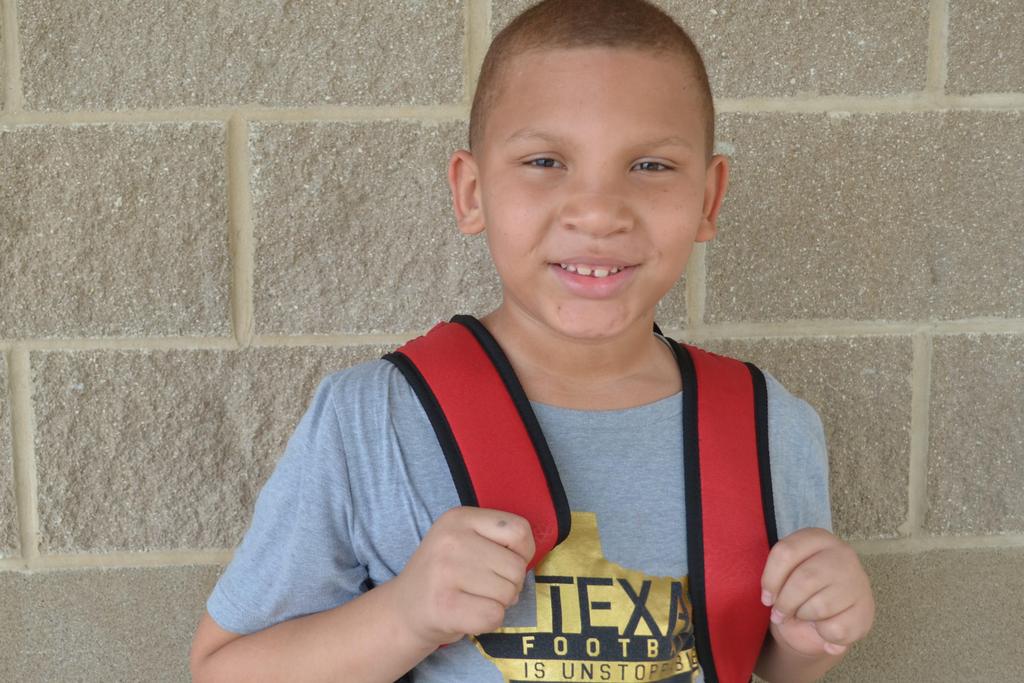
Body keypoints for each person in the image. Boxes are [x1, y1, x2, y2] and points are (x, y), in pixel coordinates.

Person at [189, 1, 875, 681]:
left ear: (709, 198)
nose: (599, 211)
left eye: (651, 166)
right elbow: (222, 669)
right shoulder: (372, 418)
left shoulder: (770, 425)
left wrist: (810, 642)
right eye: (546, 160)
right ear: (471, 191)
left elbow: (763, 656)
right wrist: (404, 615)